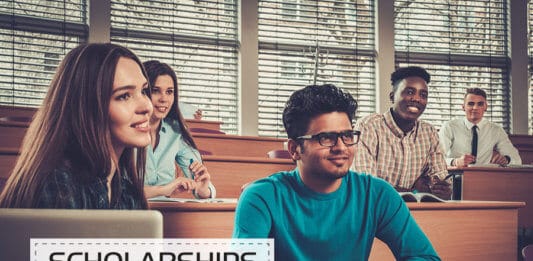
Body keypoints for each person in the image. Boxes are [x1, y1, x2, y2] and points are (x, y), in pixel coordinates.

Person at [233, 84, 440, 260]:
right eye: (326, 138)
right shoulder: (261, 197)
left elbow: (424, 256)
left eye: (348, 135)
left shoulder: (376, 194)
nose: (341, 147)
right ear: (295, 149)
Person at [0, 43, 152, 209]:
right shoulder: (58, 186)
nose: (147, 107)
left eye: (144, 91)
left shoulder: (125, 190)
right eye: (123, 96)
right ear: (86, 106)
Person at [353, 66, 451, 199]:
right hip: (376, 212)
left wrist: (442, 188)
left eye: (423, 95)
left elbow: (441, 183)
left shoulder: (429, 133)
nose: (416, 99)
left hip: (418, 213)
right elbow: (368, 186)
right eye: (410, 92)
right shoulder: (368, 127)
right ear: (392, 97)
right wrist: (415, 190)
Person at [142, 60, 215, 199]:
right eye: (155, 91)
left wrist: (203, 188)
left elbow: (203, 188)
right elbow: (117, 192)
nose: (164, 99)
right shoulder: (125, 131)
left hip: (166, 214)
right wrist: (164, 190)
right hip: (130, 213)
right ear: (143, 92)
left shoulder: (175, 131)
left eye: (169, 92)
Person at [439, 88, 522, 167]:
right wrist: (455, 162)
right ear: (463, 107)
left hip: (484, 178)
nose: (475, 108)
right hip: (455, 177)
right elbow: (436, 159)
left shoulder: (496, 130)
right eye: (471, 104)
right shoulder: (449, 127)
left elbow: (516, 159)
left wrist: (507, 159)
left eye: (480, 104)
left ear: (486, 107)